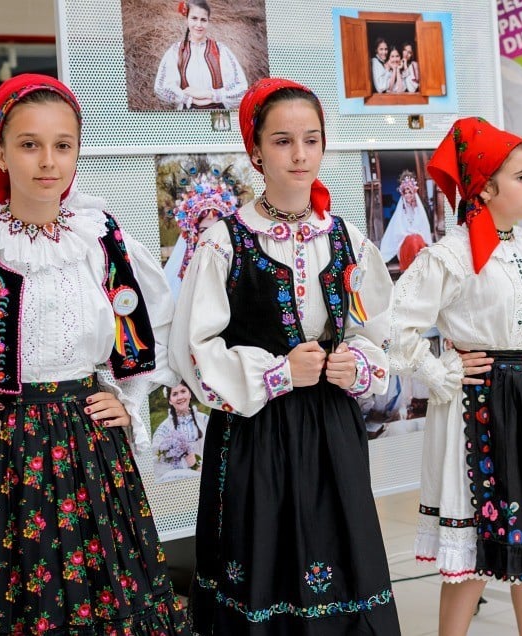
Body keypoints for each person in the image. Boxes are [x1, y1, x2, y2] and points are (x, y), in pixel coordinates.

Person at [0, 74, 186, 634]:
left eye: (62, 145)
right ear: (0, 151)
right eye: (29, 144)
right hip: (3, 455)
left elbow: (163, 318)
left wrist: (128, 397)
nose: (47, 162)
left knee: (107, 595)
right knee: (14, 603)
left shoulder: (101, 237)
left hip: (92, 449)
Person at [168, 77, 401, 635]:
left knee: (339, 558)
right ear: (255, 151)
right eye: (282, 141)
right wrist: (277, 372)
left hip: (331, 432)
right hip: (256, 434)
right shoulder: (225, 241)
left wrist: (356, 365)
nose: (300, 154)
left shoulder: (347, 239)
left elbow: (378, 333)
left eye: (311, 139)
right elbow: (192, 352)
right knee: (263, 565)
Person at [388, 117, 522, 636]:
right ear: (485, 187)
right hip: (483, 402)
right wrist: (442, 371)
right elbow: (394, 325)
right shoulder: (452, 252)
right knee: (477, 542)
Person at [154, 0, 248, 110]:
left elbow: (241, 88)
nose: (199, 25)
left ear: (208, 22)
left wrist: (209, 95)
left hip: (217, 115)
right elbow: (162, 87)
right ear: (187, 20)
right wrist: (190, 100)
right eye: (194, 18)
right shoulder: (176, 51)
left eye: (203, 20)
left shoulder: (221, 50)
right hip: (188, 117)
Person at [151, 381, 208, 481]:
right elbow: (156, 456)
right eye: (174, 394)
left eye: (183, 391)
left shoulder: (203, 420)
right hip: (179, 477)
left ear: (190, 393)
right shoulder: (164, 428)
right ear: (170, 400)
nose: (180, 397)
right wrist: (183, 463)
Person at [379, 169, 432, 263]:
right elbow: (398, 231)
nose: (407, 195)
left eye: (410, 192)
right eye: (405, 193)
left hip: (418, 241)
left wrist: (416, 235)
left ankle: (419, 265)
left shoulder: (418, 210)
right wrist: (410, 235)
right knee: (412, 240)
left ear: (414, 193)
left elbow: (424, 228)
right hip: (405, 242)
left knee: (416, 239)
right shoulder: (401, 210)